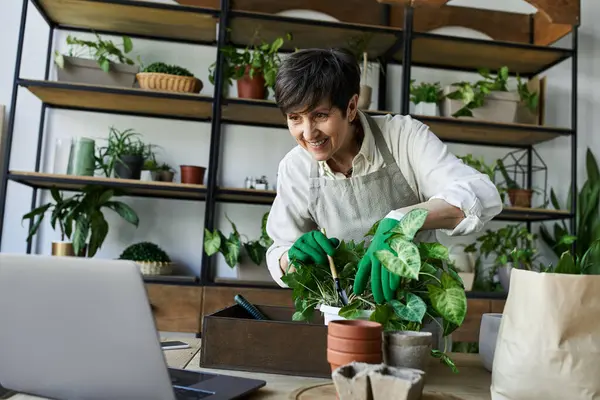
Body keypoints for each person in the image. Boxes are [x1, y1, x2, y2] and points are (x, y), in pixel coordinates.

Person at [265, 48, 502, 304]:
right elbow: (280, 250)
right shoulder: (295, 168)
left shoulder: (403, 136)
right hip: (345, 315)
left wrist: (400, 222)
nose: (308, 133)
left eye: (320, 115)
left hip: (415, 317)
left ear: (352, 107)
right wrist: (292, 258)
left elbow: (482, 194)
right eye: (295, 118)